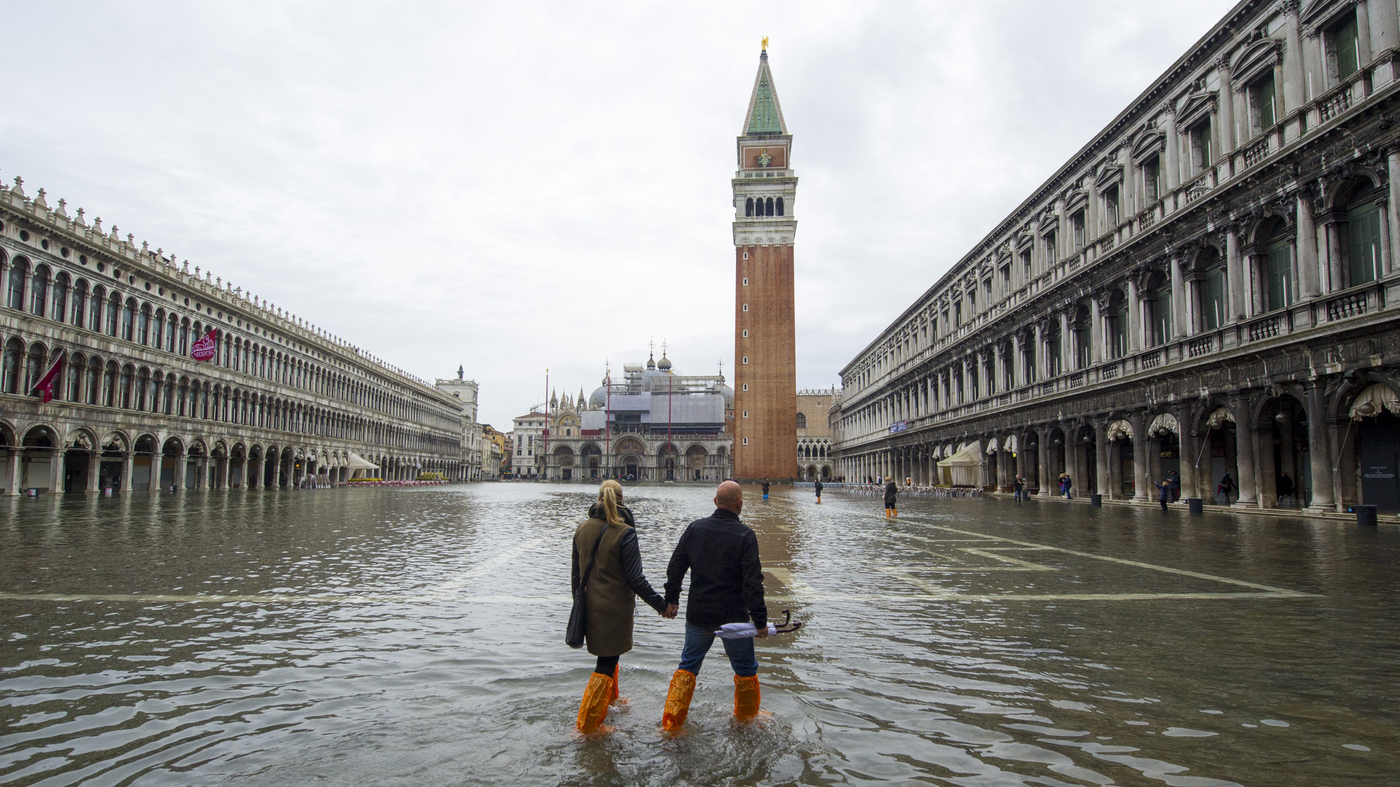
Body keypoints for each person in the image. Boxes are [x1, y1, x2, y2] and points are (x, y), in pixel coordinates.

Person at [660, 480, 768, 733]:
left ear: (715, 502)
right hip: (734, 617)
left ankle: (671, 724)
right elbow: (753, 583)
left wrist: (672, 600)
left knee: (688, 666)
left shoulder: (695, 529)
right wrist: (760, 622)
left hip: (699, 614)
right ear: (740, 505)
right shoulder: (745, 535)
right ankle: (746, 720)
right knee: (745, 670)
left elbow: (675, 568)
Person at [571, 480, 670, 736]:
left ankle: (610, 702)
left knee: (608, 657)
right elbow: (635, 578)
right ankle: (588, 725)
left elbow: (575, 577)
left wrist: (579, 604)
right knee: (605, 663)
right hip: (614, 608)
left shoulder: (581, 528)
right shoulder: (625, 532)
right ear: (622, 499)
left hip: (590, 605)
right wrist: (661, 605)